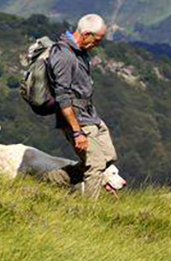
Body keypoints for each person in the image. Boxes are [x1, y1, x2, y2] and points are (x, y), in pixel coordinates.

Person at [41, 13, 119, 197]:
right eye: (97, 40)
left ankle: (51, 180)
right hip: (77, 120)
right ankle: (90, 213)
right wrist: (77, 132)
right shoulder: (64, 56)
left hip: (90, 115)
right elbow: (62, 96)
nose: (98, 44)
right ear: (85, 34)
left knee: (108, 157)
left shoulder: (80, 53)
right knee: (96, 165)